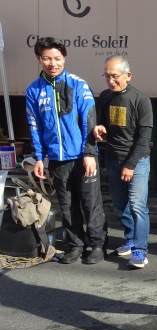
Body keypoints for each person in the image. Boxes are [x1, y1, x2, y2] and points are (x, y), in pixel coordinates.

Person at [25, 37, 107, 265]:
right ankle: (75, 245)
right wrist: (40, 158)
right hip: (57, 160)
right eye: (47, 58)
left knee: (91, 204)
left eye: (58, 58)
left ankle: (98, 245)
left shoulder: (78, 84)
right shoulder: (33, 91)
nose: (53, 63)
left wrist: (90, 153)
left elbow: (90, 120)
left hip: (83, 158)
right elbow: (35, 126)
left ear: (64, 58)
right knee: (67, 205)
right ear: (39, 59)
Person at [94, 55, 153, 269]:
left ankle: (140, 250)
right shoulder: (105, 97)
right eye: (107, 76)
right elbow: (101, 123)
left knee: (138, 205)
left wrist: (130, 165)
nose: (111, 81)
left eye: (115, 76)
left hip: (137, 162)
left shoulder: (141, 100)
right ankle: (130, 238)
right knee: (120, 206)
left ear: (128, 75)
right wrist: (99, 128)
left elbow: (144, 138)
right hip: (112, 159)